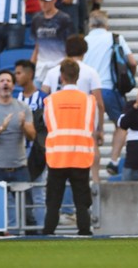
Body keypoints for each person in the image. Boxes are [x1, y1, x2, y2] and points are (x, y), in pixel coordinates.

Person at [42, 58, 95, 236]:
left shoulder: (50, 100)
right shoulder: (89, 101)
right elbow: (91, 126)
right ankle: (85, 232)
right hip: (81, 156)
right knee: (82, 201)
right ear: (77, 77)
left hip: (57, 157)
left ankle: (48, 232)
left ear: (61, 76)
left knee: (53, 201)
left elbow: (46, 123)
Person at [41, 34, 105, 182]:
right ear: (85, 51)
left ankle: (52, 179)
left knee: (57, 152)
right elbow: (99, 102)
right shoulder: (90, 72)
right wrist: (100, 128)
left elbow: (43, 95)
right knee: (92, 146)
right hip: (82, 116)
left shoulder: (52, 72)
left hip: (58, 119)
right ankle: (95, 182)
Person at [83, 10, 137, 175]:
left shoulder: (83, 41)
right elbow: (132, 62)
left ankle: (93, 176)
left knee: (91, 134)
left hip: (89, 92)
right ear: (106, 24)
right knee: (121, 124)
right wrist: (129, 79)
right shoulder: (115, 38)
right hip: (109, 89)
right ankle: (113, 161)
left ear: (90, 24)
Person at [0, 69, 36, 231]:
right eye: (2, 81)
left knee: (27, 210)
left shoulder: (23, 107)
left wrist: (24, 125)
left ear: (13, 85)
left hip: (19, 167)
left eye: (9, 81)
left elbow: (32, 136)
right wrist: (1, 128)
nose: (6, 83)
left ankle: (34, 242)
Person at [14, 60, 48, 228]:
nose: (16, 76)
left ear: (30, 75)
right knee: (18, 191)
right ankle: (22, 227)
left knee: (37, 191)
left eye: (19, 73)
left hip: (37, 152)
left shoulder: (43, 99)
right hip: (16, 151)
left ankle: (42, 229)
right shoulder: (15, 98)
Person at [30, 0, 73, 85]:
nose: (43, 4)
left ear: (54, 0)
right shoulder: (36, 18)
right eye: (41, 0)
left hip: (58, 65)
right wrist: (32, 65)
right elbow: (37, 45)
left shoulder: (64, 19)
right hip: (41, 67)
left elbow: (69, 45)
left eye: (46, 0)